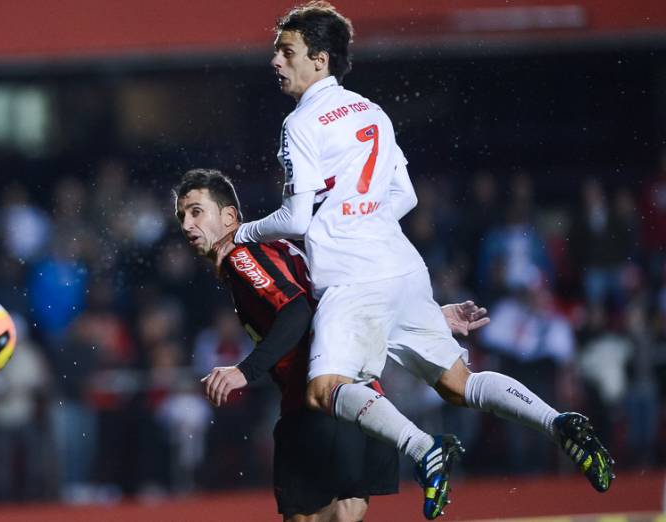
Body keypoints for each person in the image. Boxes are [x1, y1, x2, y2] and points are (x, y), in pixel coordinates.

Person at [212, 2, 614, 518]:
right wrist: (360, 215)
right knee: (459, 383)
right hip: (402, 266)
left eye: (286, 51)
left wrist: (241, 231)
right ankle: (558, 422)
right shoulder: (369, 110)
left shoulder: (300, 123)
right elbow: (405, 197)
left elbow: (294, 218)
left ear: (319, 59)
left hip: (354, 277)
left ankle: (424, 449)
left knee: (323, 390)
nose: (275, 61)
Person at [175, 169, 488, 521]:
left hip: (316, 406)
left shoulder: (242, 256)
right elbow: (348, 296)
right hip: (366, 401)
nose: (187, 224)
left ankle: (424, 447)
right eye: (182, 216)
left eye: (197, 211)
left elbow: (296, 310)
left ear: (230, 216)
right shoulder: (288, 248)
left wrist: (244, 371)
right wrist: (421, 316)